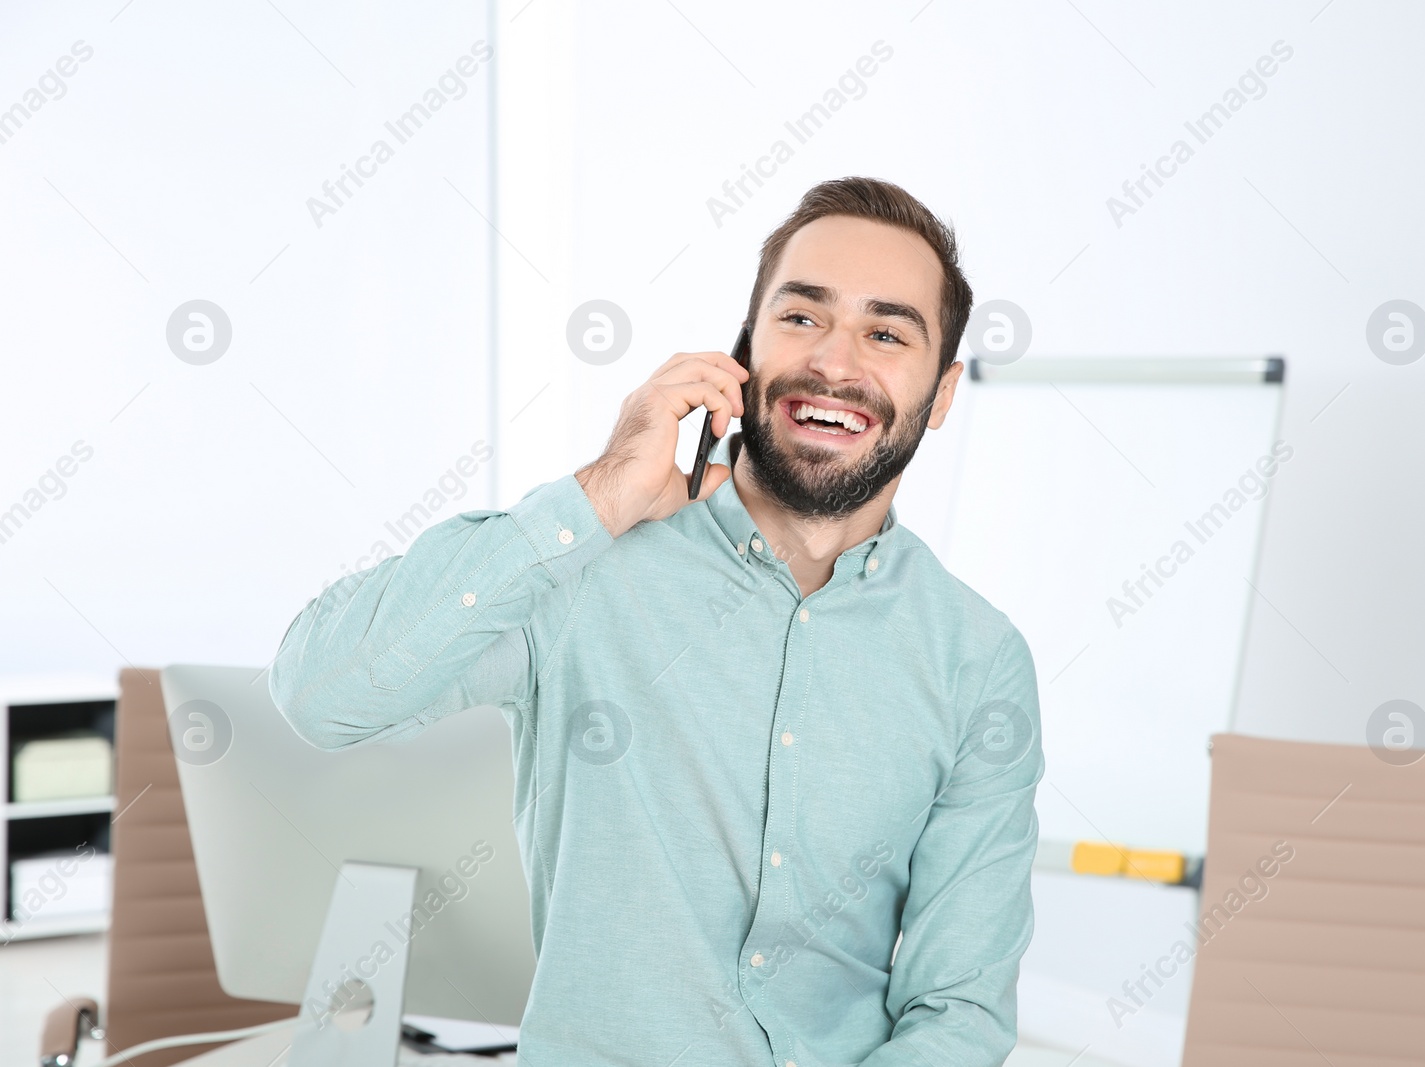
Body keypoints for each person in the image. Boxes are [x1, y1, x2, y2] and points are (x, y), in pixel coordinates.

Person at [269, 176, 1044, 1066]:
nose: (836, 362)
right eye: (802, 317)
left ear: (940, 395)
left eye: (885, 332)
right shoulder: (585, 570)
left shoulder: (977, 660)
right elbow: (316, 693)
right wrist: (599, 494)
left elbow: (958, 1009)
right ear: (742, 351)